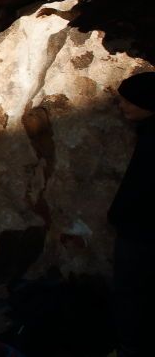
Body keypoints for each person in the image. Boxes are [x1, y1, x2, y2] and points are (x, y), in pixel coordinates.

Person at [108, 71, 155, 357]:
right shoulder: (148, 132)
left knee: (132, 292)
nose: (122, 107)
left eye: (128, 102)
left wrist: (120, 216)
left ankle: (128, 346)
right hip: (138, 229)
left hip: (142, 233)